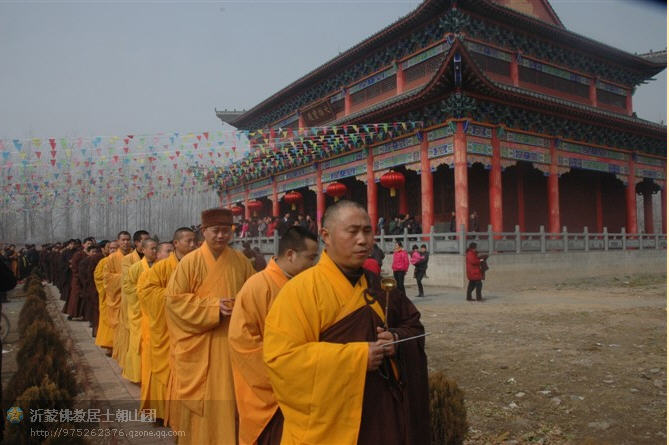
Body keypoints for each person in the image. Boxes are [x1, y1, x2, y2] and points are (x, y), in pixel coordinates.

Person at [263, 200, 429, 445]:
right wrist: (357, 358)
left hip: (383, 415)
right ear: (326, 236)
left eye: (367, 231)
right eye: (352, 232)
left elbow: (413, 327)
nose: (363, 240)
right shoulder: (299, 291)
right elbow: (281, 359)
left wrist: (396, 340)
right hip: (331, 425)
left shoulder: (381, 287)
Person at [165, 208, 255, 445]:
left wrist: (242, 306)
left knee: (231, 399)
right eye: (216, 231)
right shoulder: (190, 262)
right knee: (203, 400)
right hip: (200, 345)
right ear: (204, 231)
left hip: (232, 343)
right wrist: (213, 307)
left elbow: (253, 295)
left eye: (226, 231)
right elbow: (174, 302)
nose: (221, 236)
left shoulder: (241, 262)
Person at [229, 226, 319, 445]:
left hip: (305, 378)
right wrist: (282, 372)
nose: (314, 264)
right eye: (310, 258)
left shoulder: (308, 285)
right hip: (271, 387)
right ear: (290, 254)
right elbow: (242, 341)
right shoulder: (258, 285)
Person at [137, 227, 196, 431]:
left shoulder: (198, 265)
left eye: (194, 241)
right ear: (176, 244)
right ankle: (160, 413)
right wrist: (176, 298)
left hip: (190, 326)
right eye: (188, 241)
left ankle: (182, 414)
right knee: (162, 370)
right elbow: (146, 293)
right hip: (164, 327)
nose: (193, 245)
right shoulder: (160, 269)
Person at [123, 237, 157, 383]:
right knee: (138, 343)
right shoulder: (135, 268)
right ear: (143, 250)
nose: (155, 251)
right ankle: (137, 375)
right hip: (139, 311)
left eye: (156, 248)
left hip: (155, 312)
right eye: (152, 248)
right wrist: (144, 294)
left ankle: (151, 374)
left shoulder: (160, 266)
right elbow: (128, 288)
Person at [95, 240, 118, 353]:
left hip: (120, 297)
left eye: (115, 248)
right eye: (111, 248)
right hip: (107, 297)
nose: (113, 250)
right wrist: (109, 284)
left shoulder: (124, 260)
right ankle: (109, 346)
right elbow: (98, 277)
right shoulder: (103, 262)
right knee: (108, 322)